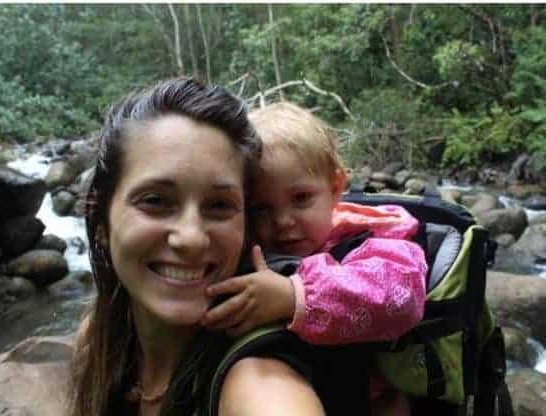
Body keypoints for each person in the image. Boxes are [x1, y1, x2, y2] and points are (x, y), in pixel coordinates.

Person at [68, 79, 328, 416]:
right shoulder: (98, 341)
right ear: (102, 223)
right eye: (155, 201)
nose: (190, 238)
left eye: (219, 205)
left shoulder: (258, 387)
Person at [200, 102, 428, 415]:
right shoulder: (248, 249)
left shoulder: (375, 242)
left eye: (301, 199)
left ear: (335, 187)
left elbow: (400, 300)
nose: (282, 221)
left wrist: (294, 296)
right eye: (261, 208)